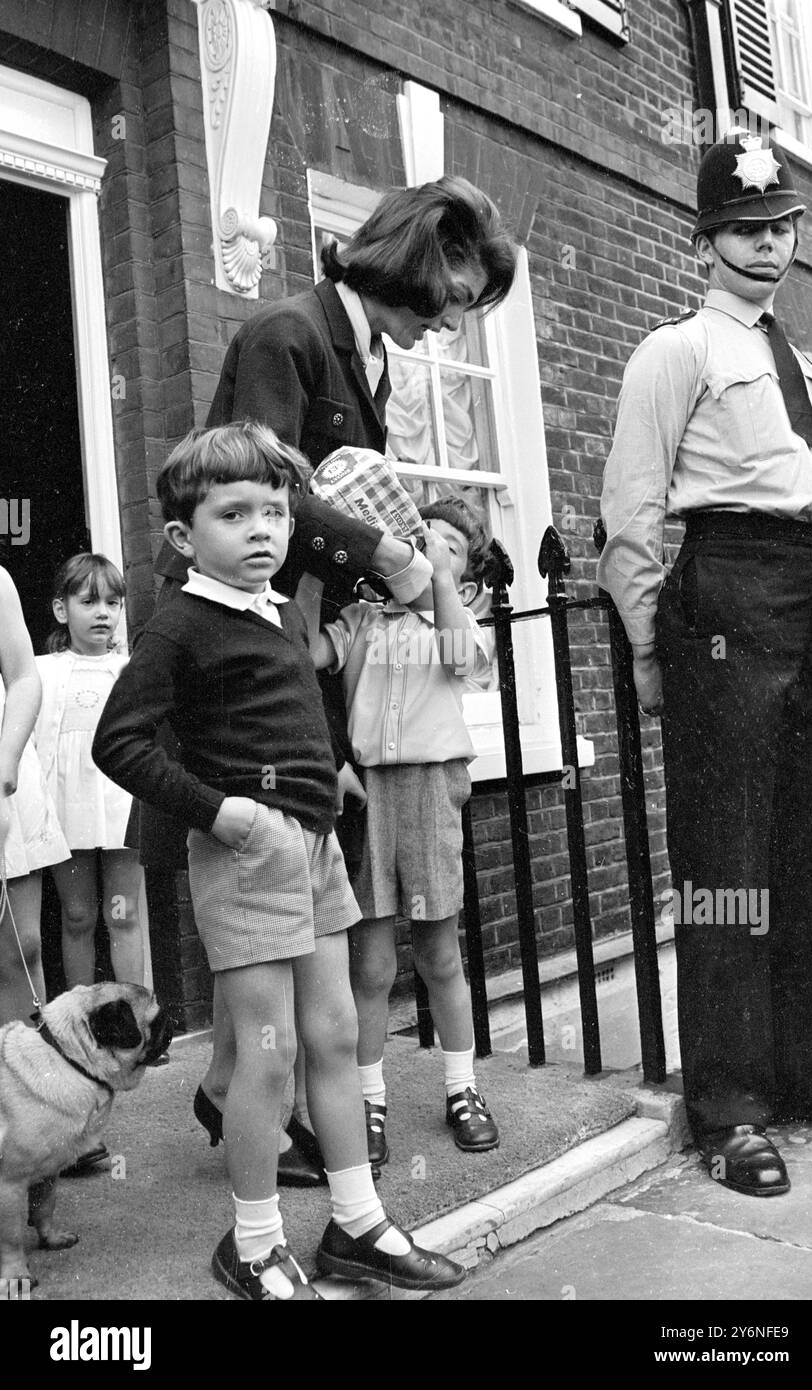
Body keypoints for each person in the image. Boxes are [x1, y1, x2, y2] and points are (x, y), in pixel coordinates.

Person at [152, 174, 518, 1182]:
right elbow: (262, 489)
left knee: (295, 878)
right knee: (268, 883)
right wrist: (390, 557)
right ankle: (243, 1092)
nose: (451, 312)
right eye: (455, 282)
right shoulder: (287, 332)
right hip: (243, 655)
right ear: (414, 254)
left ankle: (236, 1085)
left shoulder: (359, 354)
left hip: (301, 653)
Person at [92, 421, 466, 1299]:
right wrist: (225, 815)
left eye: (275, 511)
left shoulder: (275, 613)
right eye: (235, 514)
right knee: (266, 1053)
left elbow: (285, 712)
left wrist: (321, 766)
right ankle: (253, 1244)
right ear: (186, 538)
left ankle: (357, 1223)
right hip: (250, 853)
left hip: (314, 846)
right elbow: (122, 742)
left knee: (332, 1037)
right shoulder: (181, 626)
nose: (262, 529)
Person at [597, 132, 812, 1198]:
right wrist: (652, 651)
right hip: (723, 597)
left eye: (780, 227)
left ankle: (804, 1066)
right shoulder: (674, 352)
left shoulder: (806, 367)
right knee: (726, 870)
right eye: (745, 230)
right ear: (705, 240)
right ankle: (730, 1106)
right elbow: (631, 515)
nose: (767, 247)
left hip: (811, 592)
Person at [300, 493, 499, 1165]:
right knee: (373, 964)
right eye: (420, 535)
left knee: (440, 953)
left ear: (465, 576)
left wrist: (434, 576)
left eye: (447, 543)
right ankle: (369, 1100)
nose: (427, 545)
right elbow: (302, 655)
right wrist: (310, 566)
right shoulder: (360, 618)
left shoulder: (458, 622)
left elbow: (459, 661)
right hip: (369, 794)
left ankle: (462, 1089)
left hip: (430, 785)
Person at [34, 554, 145, 992]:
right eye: (89, 602)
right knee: (77, 915)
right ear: (63, 610)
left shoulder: (131, 669)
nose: (103, 613)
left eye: (113, 603)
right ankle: (80, 1019)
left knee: (123, 911)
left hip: (120, 802)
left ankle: (138, 1021)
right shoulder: (43, 671)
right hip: (67, 803)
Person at [0, 567, 69, 1027]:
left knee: (21, 947)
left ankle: (25, 1088)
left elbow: (24, 677)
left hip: (3, 767)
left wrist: (5, 765)